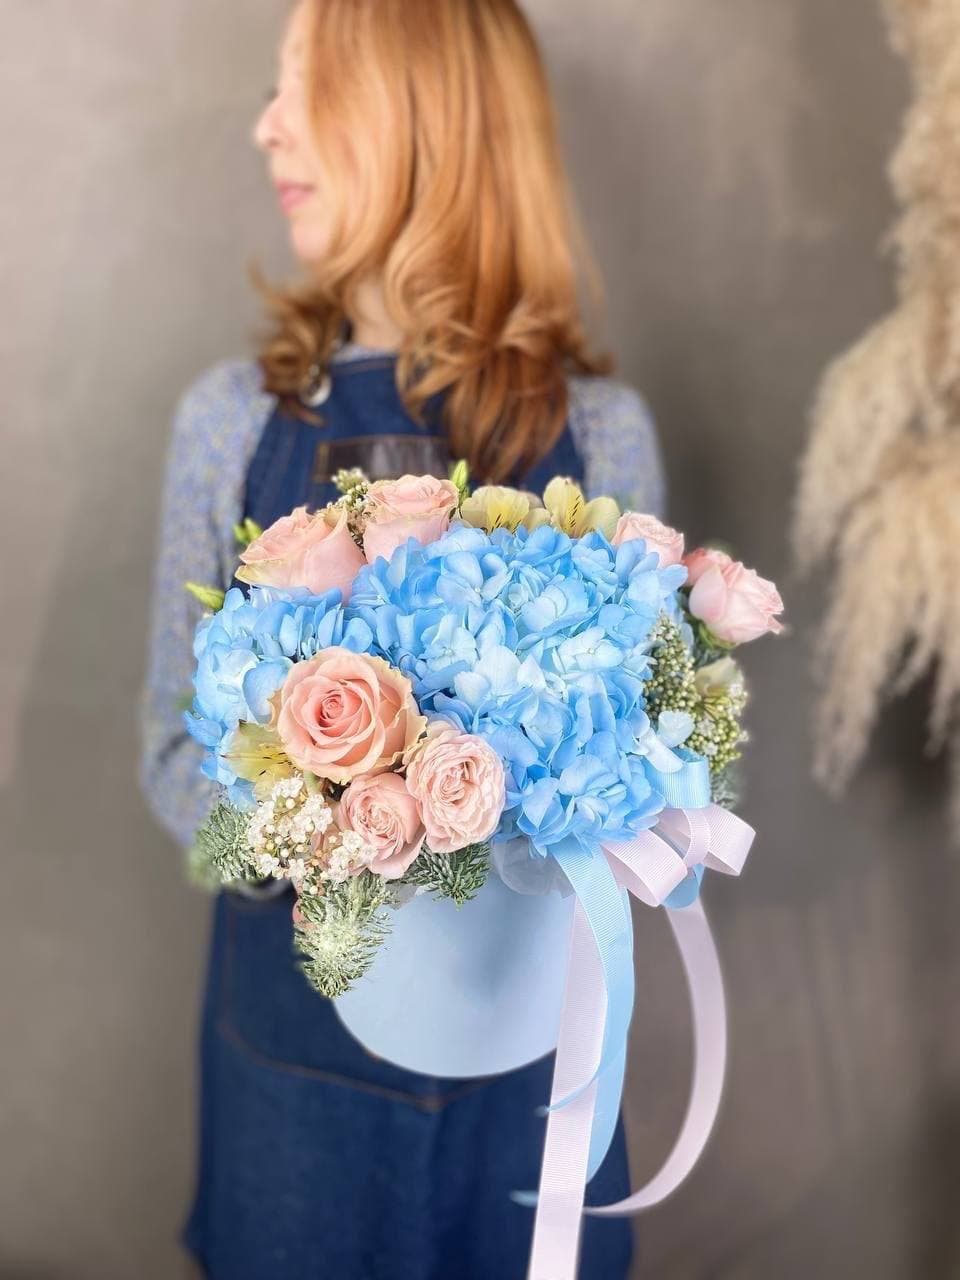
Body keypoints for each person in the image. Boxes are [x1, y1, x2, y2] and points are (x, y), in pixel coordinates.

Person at [140, 2, 666, 1276]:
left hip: (530, 1094)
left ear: (421, 118)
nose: (267, 125)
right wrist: (336, 819)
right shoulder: (230, 424)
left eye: (305, 86)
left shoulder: (605, 437)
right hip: (294, 1090)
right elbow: (170, 754)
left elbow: (644, 783)